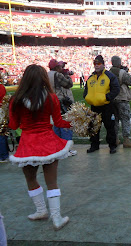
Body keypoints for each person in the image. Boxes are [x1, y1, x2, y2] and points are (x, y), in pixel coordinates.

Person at [8, 64, 72, 231]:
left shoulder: (15, 100)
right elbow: (59, 122)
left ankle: (41, 210)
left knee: (30, 178)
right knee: (52, 182)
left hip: (27, 144)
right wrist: (77, 122)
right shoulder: (51, 98)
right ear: (43, 79)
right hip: (48, 143)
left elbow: (13, 126)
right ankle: (56, 218)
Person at [83, 55, 120, 154]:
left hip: (107, 106)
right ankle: (94, 145)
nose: (96, 66)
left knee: (109, 127)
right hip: (94, 107)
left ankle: (112, 146)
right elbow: (86, 90)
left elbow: (116, 89)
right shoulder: (91, 78)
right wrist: (87, 97)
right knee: (94, 127)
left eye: (98, 63)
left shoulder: (110, 76)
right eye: (95, 64)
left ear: (103, 64)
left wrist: (107, 98)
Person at [47, 59, 77, 157]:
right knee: (66, 124)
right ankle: (67, 149)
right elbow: (69, 84)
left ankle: (58, 148)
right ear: (56, 67)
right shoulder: (57, 75)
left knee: (56, 124)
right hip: (60, 102)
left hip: (50, 101)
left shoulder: (47, 74)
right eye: (60, 66)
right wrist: (67, 75)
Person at [110, 55, 131, 148]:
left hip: (112, 99)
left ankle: (115, 139)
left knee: (115, 120)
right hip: (122, 98)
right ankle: (126, 140)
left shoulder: (108, 72)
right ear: (119, 63)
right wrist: (126, 72)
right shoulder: (122, 72)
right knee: (125, 118)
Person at [0, 77, 8, 161]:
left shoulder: (1, 87)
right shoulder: (1, 87)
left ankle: (3, 155)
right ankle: (4, 155)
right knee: (2, 134)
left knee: (1, 134)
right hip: (1, 111)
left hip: (0, 111)